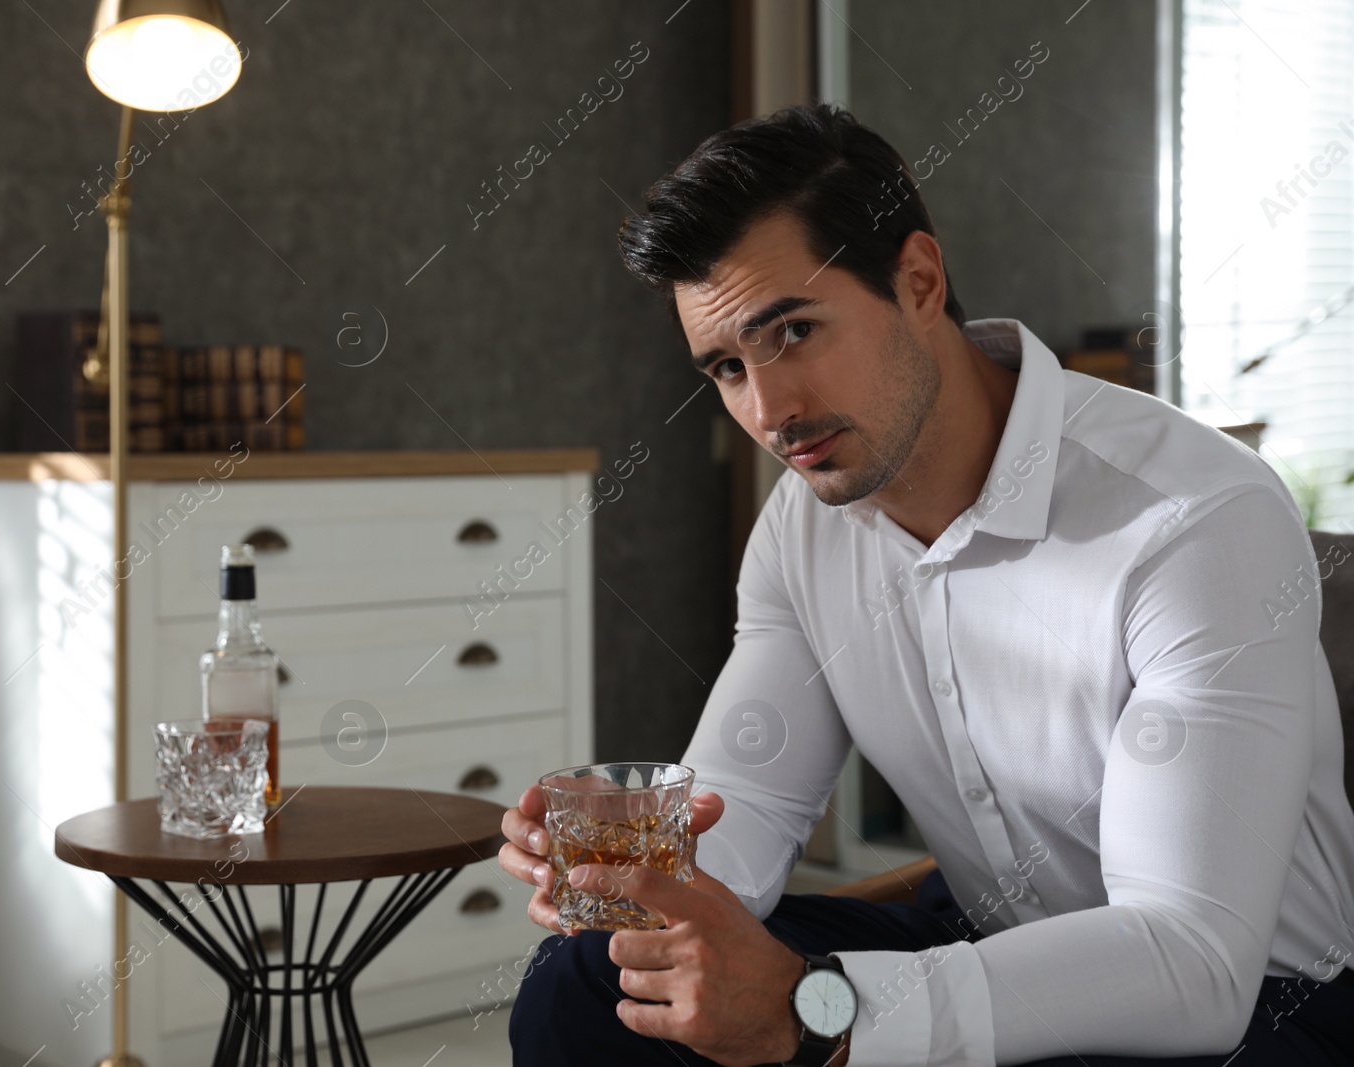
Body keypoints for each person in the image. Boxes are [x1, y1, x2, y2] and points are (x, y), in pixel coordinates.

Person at [496, 104, 1354, 1066]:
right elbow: (738, 829)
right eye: (728, 368)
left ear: (917, 280)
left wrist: (824, 1009)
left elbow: (1193, 962)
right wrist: (637, 882)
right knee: (585, 984)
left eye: (794, 332)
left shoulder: (1190, 520)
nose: (769, 409)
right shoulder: (801, 528)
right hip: (989, 940)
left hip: (1258, 1011)